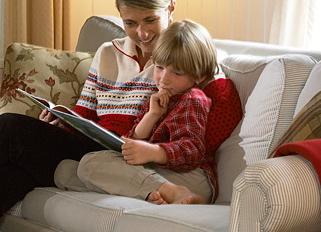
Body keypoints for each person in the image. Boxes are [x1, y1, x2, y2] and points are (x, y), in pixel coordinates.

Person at [0, 0, 242, 225]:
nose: (142, 33)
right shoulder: (108, 53)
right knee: (11, 156)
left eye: (150, 20)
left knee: (9, 144)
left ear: (170, 8)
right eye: (130, 23)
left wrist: (152, 145)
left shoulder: (185, 60)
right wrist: (62, 121)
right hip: (94, 144)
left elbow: (205, 134)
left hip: (126, 155)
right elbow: (86, 114)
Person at [53, 19, 217, 205]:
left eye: (177, 73)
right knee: (65, 171)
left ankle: (169, 192)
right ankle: (153, 192)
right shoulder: (155, 99)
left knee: (89, 167)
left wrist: (154, 152)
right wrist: (152, 115)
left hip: (191, 177)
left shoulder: (193, 98)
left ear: (199, 75)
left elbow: (192, 150)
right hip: (158, 172)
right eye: (160, 68)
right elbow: (134, 141)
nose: (164, 79)